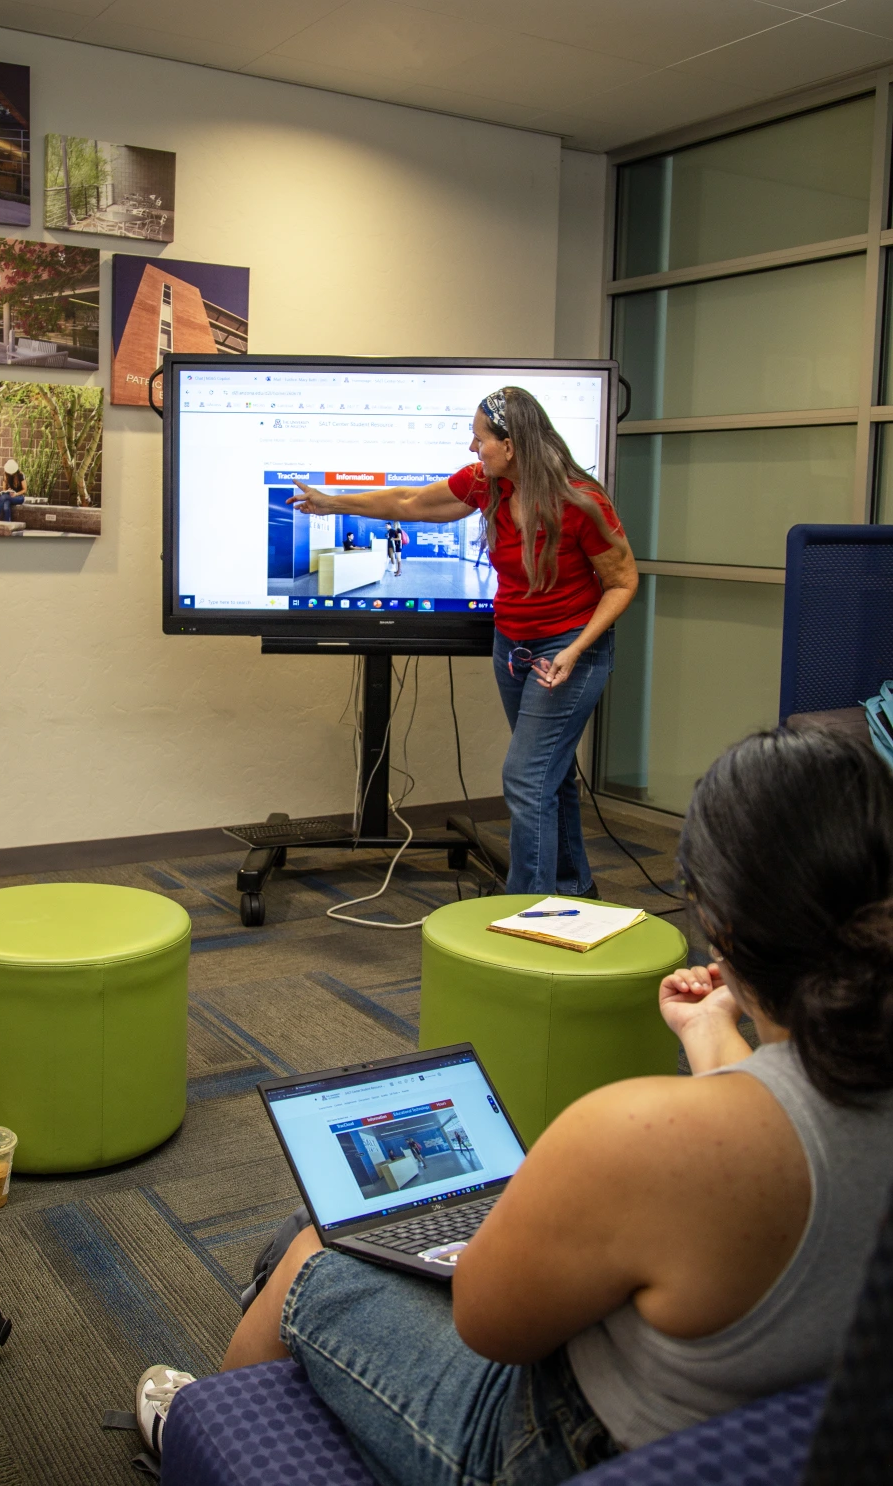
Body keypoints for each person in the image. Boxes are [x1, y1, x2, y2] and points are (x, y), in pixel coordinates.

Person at [136, 728, 893, 1484]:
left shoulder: (639, 1132)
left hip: (560, 1444)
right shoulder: (825, 1090)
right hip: (775, 1428)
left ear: (718, 926)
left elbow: (490, 1322)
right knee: (338, 1228)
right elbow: (776, 1109)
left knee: (315, 1250)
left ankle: (202, 1429)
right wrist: (706, 1031)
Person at [288, 387, 638, 895]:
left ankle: (528, 911)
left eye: (480, 439)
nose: (473, 449)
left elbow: (622, 582)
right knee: (550, 777)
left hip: (568, 650)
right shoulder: (488, 484)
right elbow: (409, 501)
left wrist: (575, 649)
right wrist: (330, 501)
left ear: (512, 445)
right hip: (512, 646)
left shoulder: (581, 502)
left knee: (525, 777)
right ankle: (573, 893)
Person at [0, 459, 26, 523]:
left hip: (19, 497)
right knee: (6, 503)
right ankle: (7, 521)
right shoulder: (6, 475)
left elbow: (24, 490)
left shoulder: (20, 475)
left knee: (3, 497)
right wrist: (8, 490)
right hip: (9, 496)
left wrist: (16, 494)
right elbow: (4, 489)